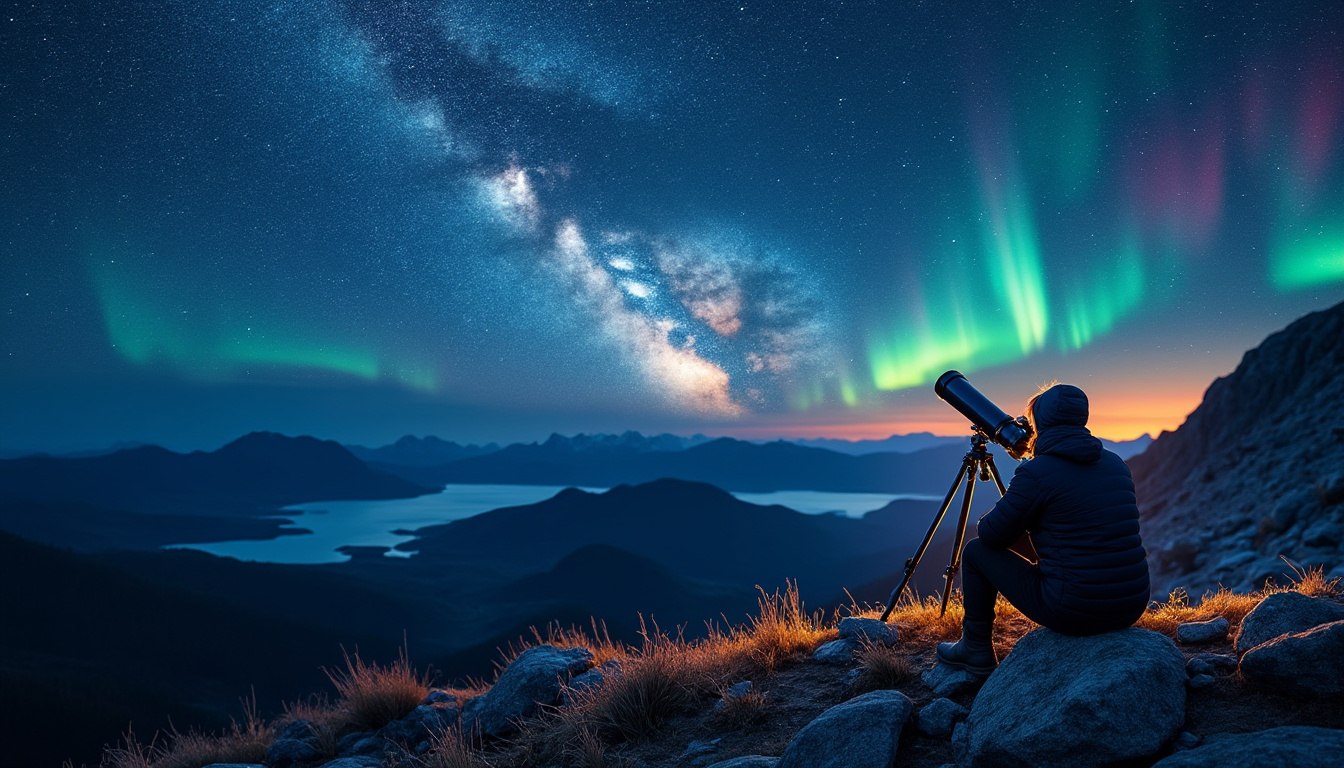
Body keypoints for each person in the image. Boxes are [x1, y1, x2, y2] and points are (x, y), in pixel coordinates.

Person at [936, 382, 1150, 674]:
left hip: (1075, 609)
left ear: (1041, 422)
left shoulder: (1037, 473)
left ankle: (975, 648)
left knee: (975, 552)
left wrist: (1009, 515)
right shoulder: (1115, 463)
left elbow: (990, 534)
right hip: (1131, 604)